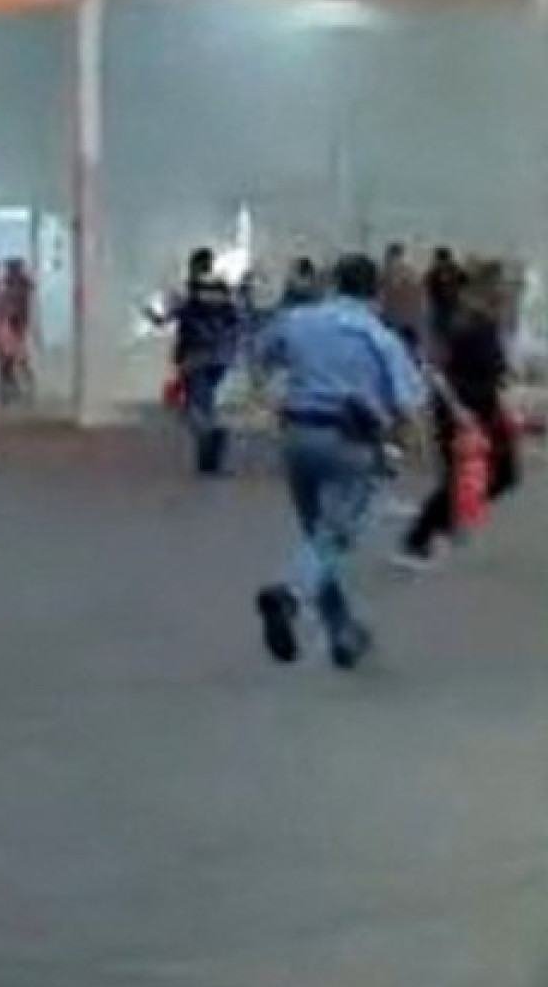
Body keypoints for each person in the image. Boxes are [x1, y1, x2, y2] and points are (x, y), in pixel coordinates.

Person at [251, 252, 425, 671]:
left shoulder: (299, 320)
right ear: (375, 290)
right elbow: (408, 403)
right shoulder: (378, 336)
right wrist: (412, 448)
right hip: (351, 443)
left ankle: (343, 634)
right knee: (332, 539)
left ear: (334, 283)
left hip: (298, 435)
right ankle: (290, 595)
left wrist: (275, 394)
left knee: (318, 538)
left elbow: (260, 357)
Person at [398, 259, 519, 567]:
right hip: (461, 409)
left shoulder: (488, 323)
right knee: (457, 479)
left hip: (486, 407)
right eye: (506, 285)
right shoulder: (463, 322)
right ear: (488, 288)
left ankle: (447, 521)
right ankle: (417, 538)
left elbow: (494, 371)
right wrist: (458, 409)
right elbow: (434, 370)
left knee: (505, 473)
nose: (510, 291)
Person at [168, 248, 244, 477]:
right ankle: (210, 446)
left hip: (194, 354)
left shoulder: (188, 291)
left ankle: (210, 435)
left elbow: (171, 315)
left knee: (193, 405)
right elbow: (236, 320)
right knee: (205, 398)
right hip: (219, 355)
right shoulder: (222, 289)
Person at [0, 258, 37, 404]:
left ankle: (20, 388)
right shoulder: (13, 286)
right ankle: (12, 389)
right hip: (11, 326)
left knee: (15, 359)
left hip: (16, 326)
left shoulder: (21, 286)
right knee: (9, 361)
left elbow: (16, 307)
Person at [378, 243, 428, 356]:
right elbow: (421, 296)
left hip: (393, 320)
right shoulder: (412, 272)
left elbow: (379, 297)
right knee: (412, 353)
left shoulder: (385, 272)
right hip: (411, 321)